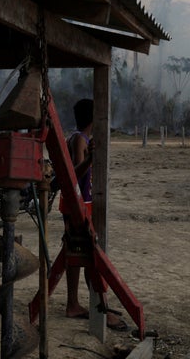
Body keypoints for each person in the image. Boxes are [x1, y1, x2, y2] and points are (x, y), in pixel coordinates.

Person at [61, 98, 127, 331]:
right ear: (94, 118)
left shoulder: (80, 138)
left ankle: (73, 304)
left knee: (74, 253)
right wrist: (89, 159)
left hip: (77, 203)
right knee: (91, 255)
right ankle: (103, 310)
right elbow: (73, 175)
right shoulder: (79, 139)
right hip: (77, 204)